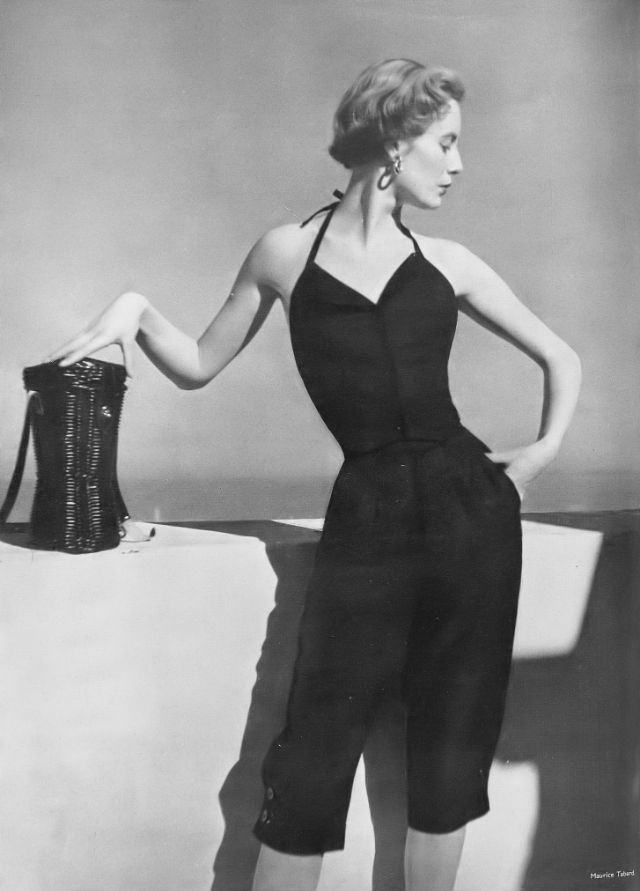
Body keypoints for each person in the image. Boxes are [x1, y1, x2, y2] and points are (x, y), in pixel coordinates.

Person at [49, 59, 582, 891]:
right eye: (446, 143)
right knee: (312, 754)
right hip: (365, 521)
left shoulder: (449, 261)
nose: (459, 163)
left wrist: (534, 459)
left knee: (450, 753)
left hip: (473, 523)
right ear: (396, 142)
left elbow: (561, 357)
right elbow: (197, 364)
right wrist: (136, 313)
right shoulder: (286, 253)